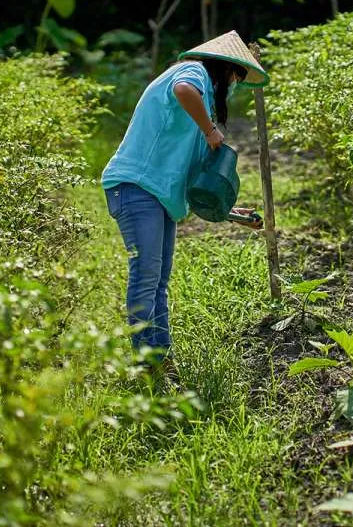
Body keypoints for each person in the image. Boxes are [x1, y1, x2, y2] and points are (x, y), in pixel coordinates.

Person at [101, 31, 268, 368]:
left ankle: (160, 358)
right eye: (236, 76)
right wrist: (209, 130)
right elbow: (182, 91)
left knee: (159, 281)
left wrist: (229, 212)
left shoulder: (203, 100)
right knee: (146, 276)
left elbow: (191, 179)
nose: (235, 85)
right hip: (136, 186)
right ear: (225, 68)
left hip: (158, 194)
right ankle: (143, 361)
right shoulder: (194, 73)